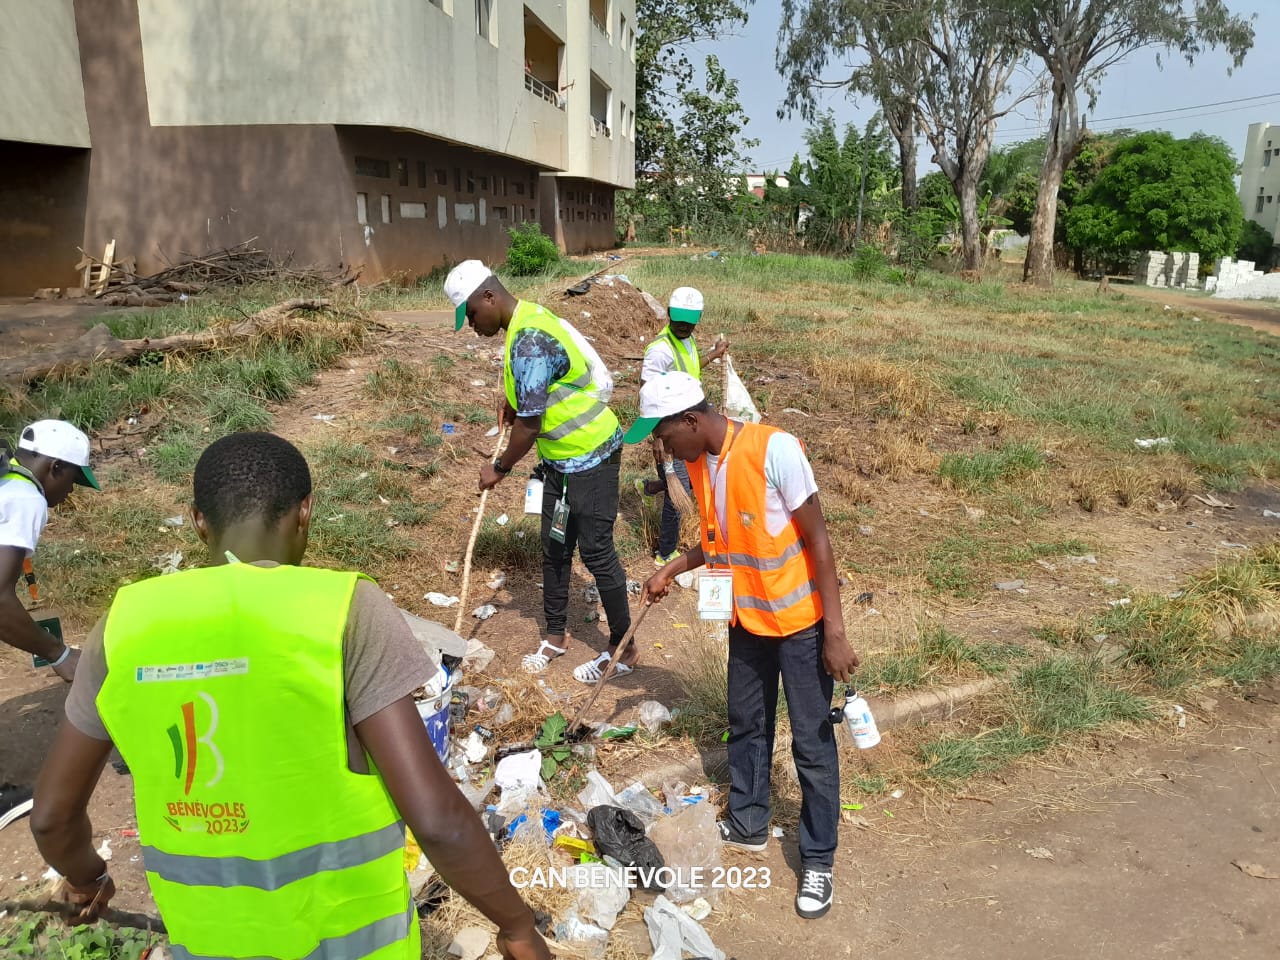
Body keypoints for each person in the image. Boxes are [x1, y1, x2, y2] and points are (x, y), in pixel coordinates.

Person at [31, 432, 549, 960]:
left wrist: (88, 877)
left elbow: (52, 817)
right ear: (306, 511)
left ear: (198, 521)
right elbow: (436, 820)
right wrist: (516, 925)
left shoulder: (124, 623)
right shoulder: (344, 608)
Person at [626, 372, 859, 921]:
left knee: (811, 742)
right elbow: (720, 543)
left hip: (800, 625)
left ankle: (818, 859)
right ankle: (750, 821)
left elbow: (819, 542)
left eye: (664, 435)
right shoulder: (699, 463)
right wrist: (670, 569)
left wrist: (835, 631)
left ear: (691, 420)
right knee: (747, 723)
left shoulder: (775, 450)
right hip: (746, 622)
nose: (663, 448)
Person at [445, 260, 635, 685]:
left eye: (471, 315)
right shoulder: (524, 320)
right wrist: (516, 401)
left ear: (489, 297)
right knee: (554, 546)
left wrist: (499, 468)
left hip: (592, 457)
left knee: (597, 553)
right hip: (559, 462)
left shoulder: (529, 339)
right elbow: (540, 393)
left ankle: (624, 646)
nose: (472, 326)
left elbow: (530, 427)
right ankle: (555, 635)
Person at [0, 419, 100, 682]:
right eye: (73, 479)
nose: (71, 490)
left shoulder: (6, 481)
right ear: (55, 467)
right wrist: (59, 654)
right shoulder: (25, 498)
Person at [636, 286, 727, 566]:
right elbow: (646, 394)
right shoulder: (659, 351)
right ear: (668, 313)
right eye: (679, 320)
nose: (684, 326)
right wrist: (658, 438)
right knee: (680, 491)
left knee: (686, 479)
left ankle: (649, 488)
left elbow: (691, 369)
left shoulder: (686, 339)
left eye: (690, 321)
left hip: (687, 426)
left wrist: (713, 354)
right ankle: (665, 553)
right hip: (670, 431)